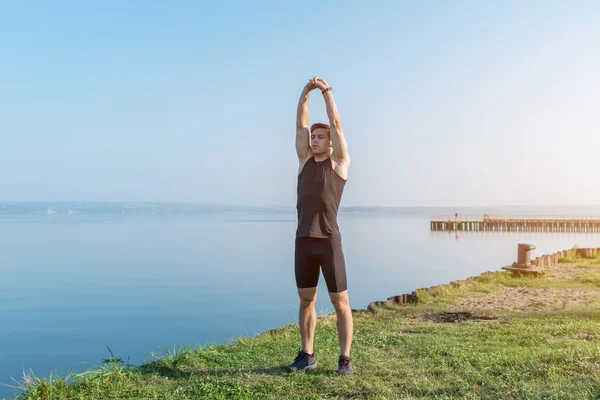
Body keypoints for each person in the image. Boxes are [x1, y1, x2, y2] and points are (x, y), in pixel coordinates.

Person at [288, 76, 353, 375]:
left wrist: (326, 92)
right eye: (312, 137)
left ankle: (344, 359)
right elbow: (301, 123)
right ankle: (307, 354)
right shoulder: (304, 162)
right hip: (304, 241)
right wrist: (305, 93)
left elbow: (336, 124)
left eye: (320, 137)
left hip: (328, 241)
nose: (314, 140)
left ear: (330, 142)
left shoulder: (339, 164)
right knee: (306, 300)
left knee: (341, 303)